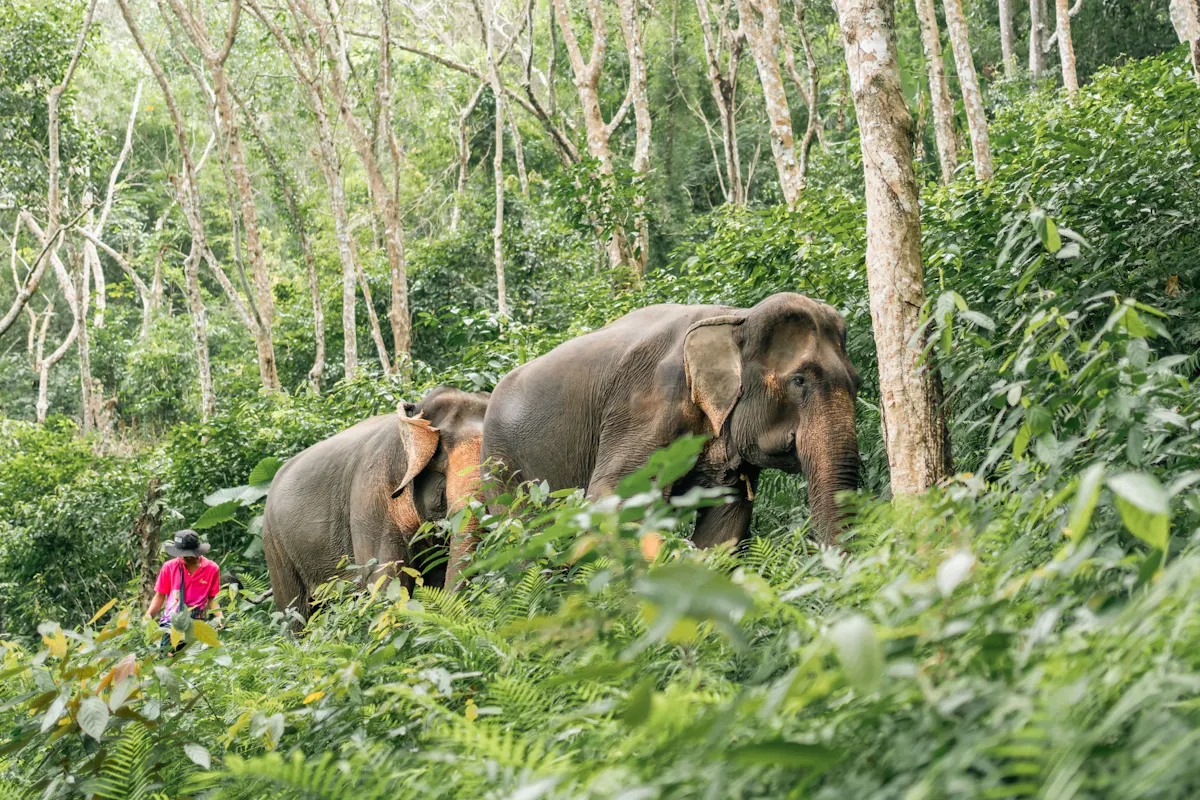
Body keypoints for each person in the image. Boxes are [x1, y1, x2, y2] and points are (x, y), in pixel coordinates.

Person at [144, 530, 223, 650]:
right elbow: (160, 595)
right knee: (167, 657)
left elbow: (212, 598)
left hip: (197, 620)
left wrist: (220, 617)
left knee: (195, 659)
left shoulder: (212, 568)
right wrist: (149, 614)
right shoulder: (169, 567)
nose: (184, 557)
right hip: (171, 620)